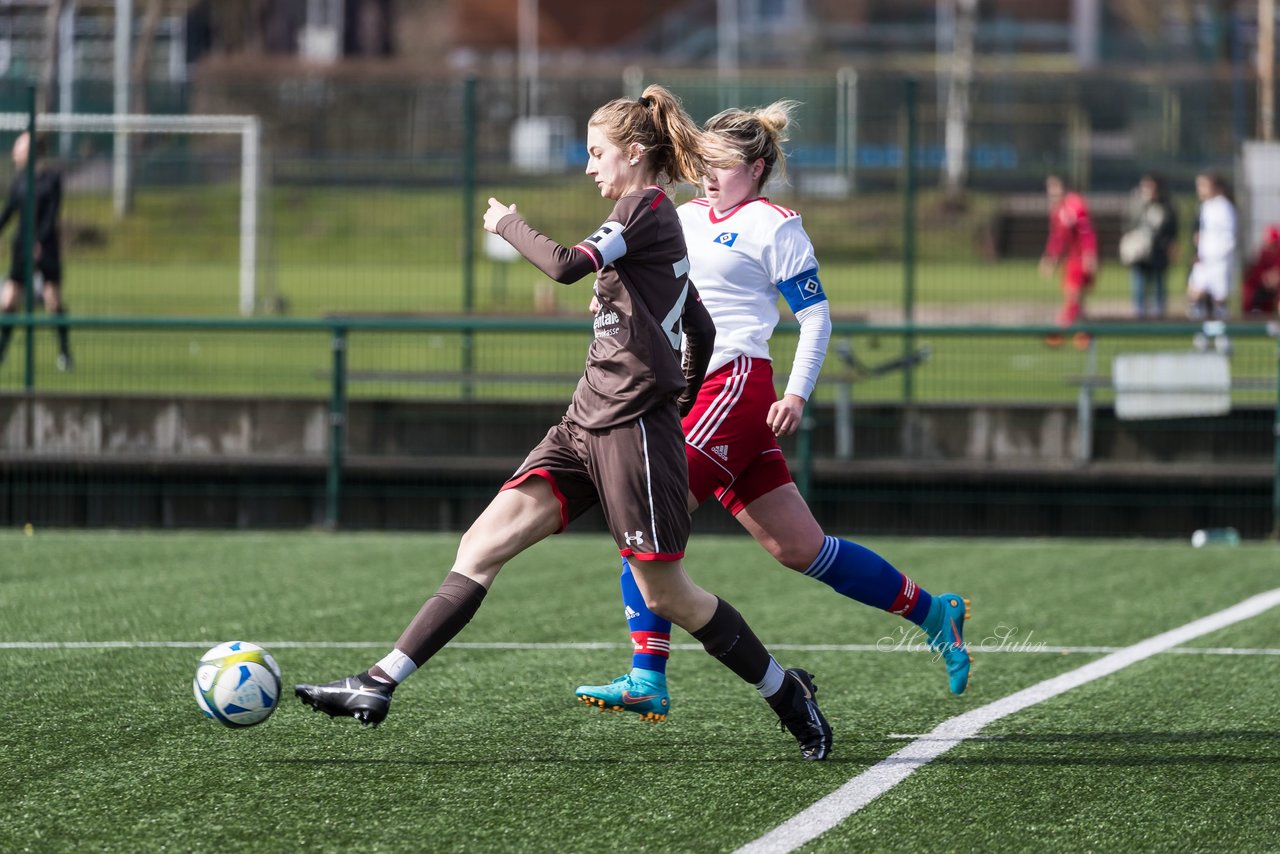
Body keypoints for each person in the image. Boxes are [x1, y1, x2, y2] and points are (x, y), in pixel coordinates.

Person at [294, 85, 834, 761]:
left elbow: (565, 266)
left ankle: (787, 694)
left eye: (596, 152)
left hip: (630, 432)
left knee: (667, 596)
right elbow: (695, 319)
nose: (589, 167)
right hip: (584, 424)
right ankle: (378, 682)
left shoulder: (646, 209)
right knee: (481, 546)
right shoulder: (658, 223)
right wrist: (676, 381)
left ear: (634, 154)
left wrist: (506, 223)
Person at [573, 101, 971, 725]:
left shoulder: (774, 225)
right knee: (799, 548)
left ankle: (647, 674)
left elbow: (816, 317)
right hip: (690, 387)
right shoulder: (679, 215)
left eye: (724, 166)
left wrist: (796, 393)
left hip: (733, 384)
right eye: (703, 163)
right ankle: (933, 613)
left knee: (650, 515)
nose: (709, 176)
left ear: (756, 168)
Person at [0, 132, 71, 370]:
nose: (14, 152)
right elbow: (8, 212)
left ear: (31, 152)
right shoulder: (20, 181)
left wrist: (39, 242)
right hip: (21, 248)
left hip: (45, 247)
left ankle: (64, 353)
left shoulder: (51, 180)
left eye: (19, 148)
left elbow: (51, 216)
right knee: (9, 299)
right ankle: (2, 351)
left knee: (52, 300)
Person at [1039, 174, 1097, 349]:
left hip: (1080, 260)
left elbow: (1087, 232)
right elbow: (1057, 238)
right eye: (1049, 188)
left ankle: (1058, 333)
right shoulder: (1057, 210)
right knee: (1076, 300)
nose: (1052, 192)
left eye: (1055, 187)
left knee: (1073, 296)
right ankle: (1086, 336)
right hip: (1071, 259)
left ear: (1064, 187)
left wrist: (1089, 254)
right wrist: (1051, 258)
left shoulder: (1075, 205)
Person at [1186, 172, 1237, 353]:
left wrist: (1216, 256)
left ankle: (1224, 339)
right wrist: (1199, 247)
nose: (1200, 190)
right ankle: (1202, 335)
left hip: (1219, 263)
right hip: (1204, 262)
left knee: (1219, 302)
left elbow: (1229, 239)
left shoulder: (1225, 207)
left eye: (1203, 186)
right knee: (1195, 295)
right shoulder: (1206, 206)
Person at [1121, 173, 1179, 319]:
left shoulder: (1166, 206)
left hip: (1158, 251)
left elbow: (1171, 228)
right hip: (1140, 252)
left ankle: (1159, 314)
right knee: (1139, 283)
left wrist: (1171, 245)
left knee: (1159, 283)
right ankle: (1139, 312)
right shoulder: (1136, 203)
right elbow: (1129, 224)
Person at [1240, 225, 1279, 318]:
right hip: (1263, 287)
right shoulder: (1263, 253)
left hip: (1277, 288)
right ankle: (1254, 313)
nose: (1269, 245)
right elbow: (1256, 273)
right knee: (1250, 288)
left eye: (1272, 243)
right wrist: (1265, 278)